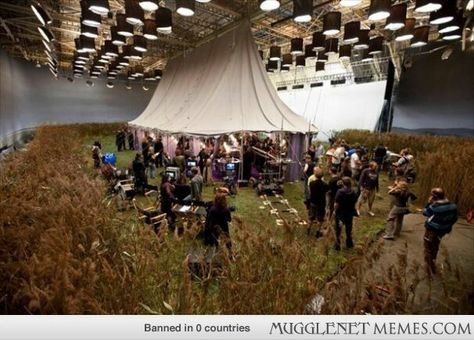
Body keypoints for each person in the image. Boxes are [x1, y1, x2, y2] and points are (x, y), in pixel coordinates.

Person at [423, 188, 458, 274]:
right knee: (436, 243)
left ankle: (429, 264)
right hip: (443, 230)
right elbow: (455, 218)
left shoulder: (434, 207)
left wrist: (428, 203)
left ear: (433, 196)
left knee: (428, 246)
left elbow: (425, 213)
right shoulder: (453, 206)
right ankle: (433, 259)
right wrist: (447, 225)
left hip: (432, 229)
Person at [334, 177, 358, 251]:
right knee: (348, 229)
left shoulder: (340, 192)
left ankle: (337, 245)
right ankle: (349, 243)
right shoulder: (353, 192)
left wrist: (335, 211)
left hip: (340, 213)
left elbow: (336, 204)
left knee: (338, 230)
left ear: (343, 183)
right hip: (349, 213)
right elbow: (355, 201)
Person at [308, 168, 329, 238]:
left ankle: (308, 229)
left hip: (313, 202)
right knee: (320, 218)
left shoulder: (311, 183)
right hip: (321, 203)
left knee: (311, 217)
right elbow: (327, 192)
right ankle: (317, 232)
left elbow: (310, 192)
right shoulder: (325, 185)